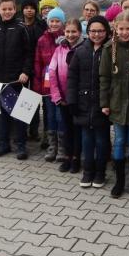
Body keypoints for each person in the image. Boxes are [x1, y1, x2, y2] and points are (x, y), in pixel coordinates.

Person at [0, 0, 33, 160]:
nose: (7, 12)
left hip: (17, 79)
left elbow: (29, 54)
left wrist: (25, 72)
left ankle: (21, 145)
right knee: (2, 113)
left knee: (20, 113)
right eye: (4, 9)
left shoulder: (21, 27)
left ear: (15, 9)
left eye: (10, 9)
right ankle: (3, 144)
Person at [100, 12, 129, 198]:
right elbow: (104, 78)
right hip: (116, 103)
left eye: (128, 29)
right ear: (115, 29)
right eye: (121, 29)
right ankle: (119, 181)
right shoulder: (109, 49)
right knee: (118, 141)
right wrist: (104, 102)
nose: (125, 32)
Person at [67, 16, 112, 188]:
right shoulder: (80, 51)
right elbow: (72, 78)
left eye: (100, 31)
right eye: (93, 31)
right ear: (88, 32)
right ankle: (87, 172)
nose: (97, 34)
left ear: (106, 32)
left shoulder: (110, 50)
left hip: (103, 104)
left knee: (101, 141)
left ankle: (100, 173)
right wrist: (72, 100)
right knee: (87, 140)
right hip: (83, 103)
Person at [49, 18, 85, 173]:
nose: (70, 35)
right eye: (68, 31)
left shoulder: (84, 48)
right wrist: (57, 96)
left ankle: (77, 158)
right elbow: (52, 72)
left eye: (74, 31)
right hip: (62, 99)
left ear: (80, 32)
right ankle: (67, 157)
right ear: (64, 32)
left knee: (77, 130)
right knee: (66, 129)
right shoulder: (59, 49)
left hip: (78, 99)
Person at [34, 7, 66, 162]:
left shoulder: (66, 39)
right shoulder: (42, 40)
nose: (54, 24)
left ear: (62, 23)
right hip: (47, 85)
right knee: (50, 115)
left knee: (61, 116)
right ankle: (52, 146)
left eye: (57, 21)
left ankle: (62, 147)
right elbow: (38, 63)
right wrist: (38, 85)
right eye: (52, 21)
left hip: (62, 86)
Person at [21, 0, 47, 142]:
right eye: (26, 7)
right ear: (22, 10)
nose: (29, 10)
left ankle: (34, 130)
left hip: (38, 67)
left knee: (35, 98)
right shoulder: (19, 25)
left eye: (32, 7)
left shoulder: (41, 25)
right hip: (23, 68)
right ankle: (22, 130)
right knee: (24, 99)